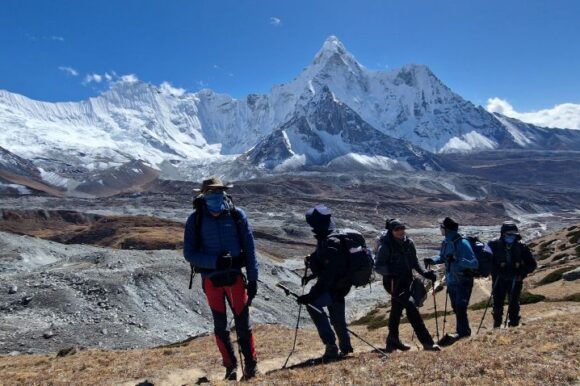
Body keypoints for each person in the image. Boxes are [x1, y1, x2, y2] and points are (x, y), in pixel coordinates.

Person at [183, 176, 259, 381]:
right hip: (212, 279)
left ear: (224, 193)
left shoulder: (236, 216)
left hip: (234, 278)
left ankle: (251, 367)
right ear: (203, 196)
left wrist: (253, 280)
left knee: (243, 324)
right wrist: (215, 262)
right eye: (211, 193)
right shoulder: (195, 219)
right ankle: (230, 368)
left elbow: (250, 249)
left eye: (218, 193)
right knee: (220, 326)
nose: (215, 197)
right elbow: (189, 253)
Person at [375, 218, 440, 352]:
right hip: (393, 283)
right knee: (411, 307)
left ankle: (392, 341)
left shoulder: (409, 243)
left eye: (402, 228)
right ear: (391, 231)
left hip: (407, 281)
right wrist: (391, 273)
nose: (400, 231)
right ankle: (427, 342)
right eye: (397, 229)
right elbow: (378, 266)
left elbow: (415, 263)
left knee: (396, 310)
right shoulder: (386, 246)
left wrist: (425, 273)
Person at [297, 204, 353, 360]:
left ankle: (331, 346)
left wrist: (310, 295)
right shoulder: (330, 238)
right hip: (340, 285)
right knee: (337, 317)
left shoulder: (329, 242)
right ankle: (345, 347)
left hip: (334, 286)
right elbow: (327, 268)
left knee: (314, 306)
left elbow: (328, 274)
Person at [424, 217, 478, 343]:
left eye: (441, 227)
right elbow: (443, 257)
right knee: (456, 306)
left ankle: (464, 333)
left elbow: (474, 263)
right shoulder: (447, 242)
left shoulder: (462, 243)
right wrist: (432, 260)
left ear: (446, 229)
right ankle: (462, 332)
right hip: (452, 280)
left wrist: (457, 260)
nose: (440, 230)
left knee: (460, 306)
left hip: (463, 280)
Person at [488, 221, 537, 328]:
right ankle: (497, 324)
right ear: (503, 234)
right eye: (509, 234)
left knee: (514, 303)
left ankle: (514, 324)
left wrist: (521, 272)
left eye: (513, 234)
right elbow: (488, 262)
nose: (511, 237)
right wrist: (497, 270)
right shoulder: (494, 245)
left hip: (516, 278)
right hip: (499, 279)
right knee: (497, 303)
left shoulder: (521, 247)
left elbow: (532, 264)